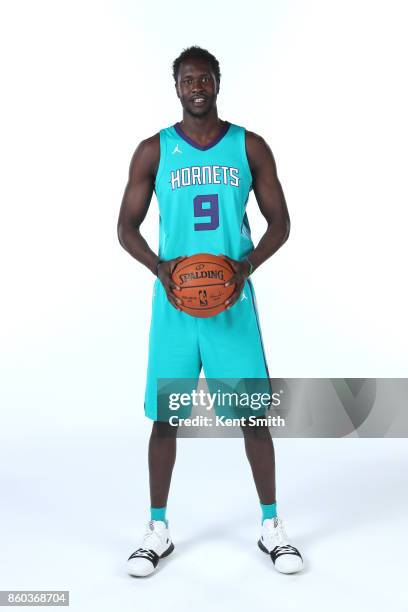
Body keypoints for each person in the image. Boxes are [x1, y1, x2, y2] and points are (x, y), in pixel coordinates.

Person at [117, 45, 303, 576]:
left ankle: (272, 527)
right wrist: (160, 268)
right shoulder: (154, 151)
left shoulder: (251, 147)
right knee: (166, 420)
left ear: (218, 82)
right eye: (187, 79)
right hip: (175, 305)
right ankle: (157, 530)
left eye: (204, 78)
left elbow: (281, 224)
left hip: (232, 304)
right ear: (175, 87)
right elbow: (124, 228)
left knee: (254, 418)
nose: (196, 86)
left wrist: (244, 267)